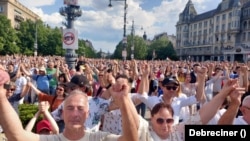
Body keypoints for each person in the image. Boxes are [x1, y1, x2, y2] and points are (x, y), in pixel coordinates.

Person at [0, 65, 139, 141]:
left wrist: (124, 100)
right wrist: (1, 97)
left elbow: (130, 139)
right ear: (62, 112)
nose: (75, 113)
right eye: (70, 108)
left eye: (80, 108)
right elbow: (17, 136)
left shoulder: (99, 138)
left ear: (87, 113)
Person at [138, 78, 245, 140]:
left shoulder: (177, 132)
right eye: (160, 120)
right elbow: (139, 97)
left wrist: (223, 94)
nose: (165, 125)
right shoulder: (145, 134)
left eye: (169, 120)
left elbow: (202, 116)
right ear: (151, 119)